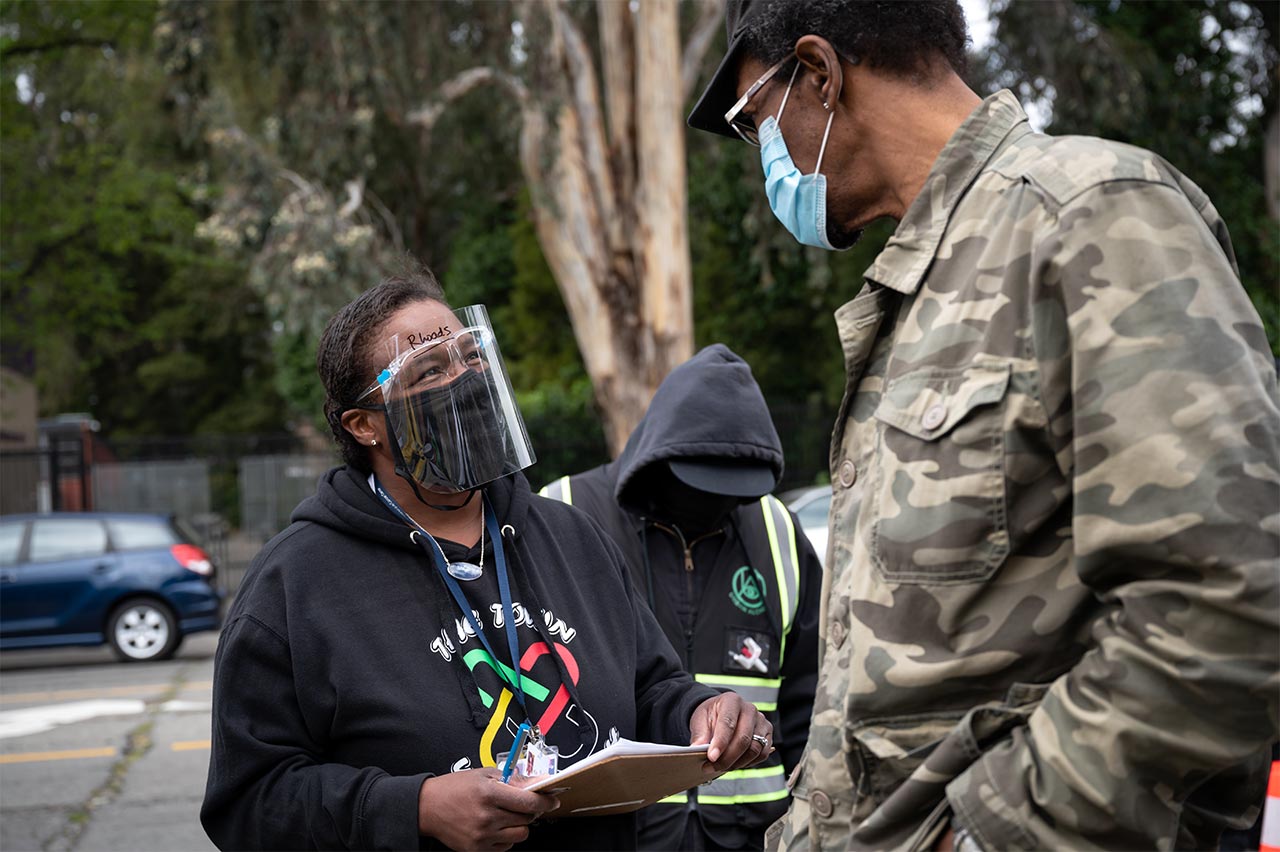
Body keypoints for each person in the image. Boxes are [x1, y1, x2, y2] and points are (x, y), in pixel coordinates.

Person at [686, 1, 1280, 850]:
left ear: (819, 73)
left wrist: (984, 836)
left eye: (756, 122)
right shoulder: (920, 289)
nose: (764, 159)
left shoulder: (1090, 216)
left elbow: (1229, 599)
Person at [200, 267, 775, 852]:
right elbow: (248, 803)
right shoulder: (295, 584)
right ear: (364, 425)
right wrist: (415, 808)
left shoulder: (574, 538)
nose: (464, 380)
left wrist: (703, 711)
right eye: (430, 370)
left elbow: (652, 688)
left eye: (471, 357)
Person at [540, 344, 823, 851]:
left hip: (757, 839)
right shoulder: (565, 513)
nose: (719, 504)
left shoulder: (776, 530)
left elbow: (813, 706)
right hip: (611, 835)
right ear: (658, 460)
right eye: (703, 485)